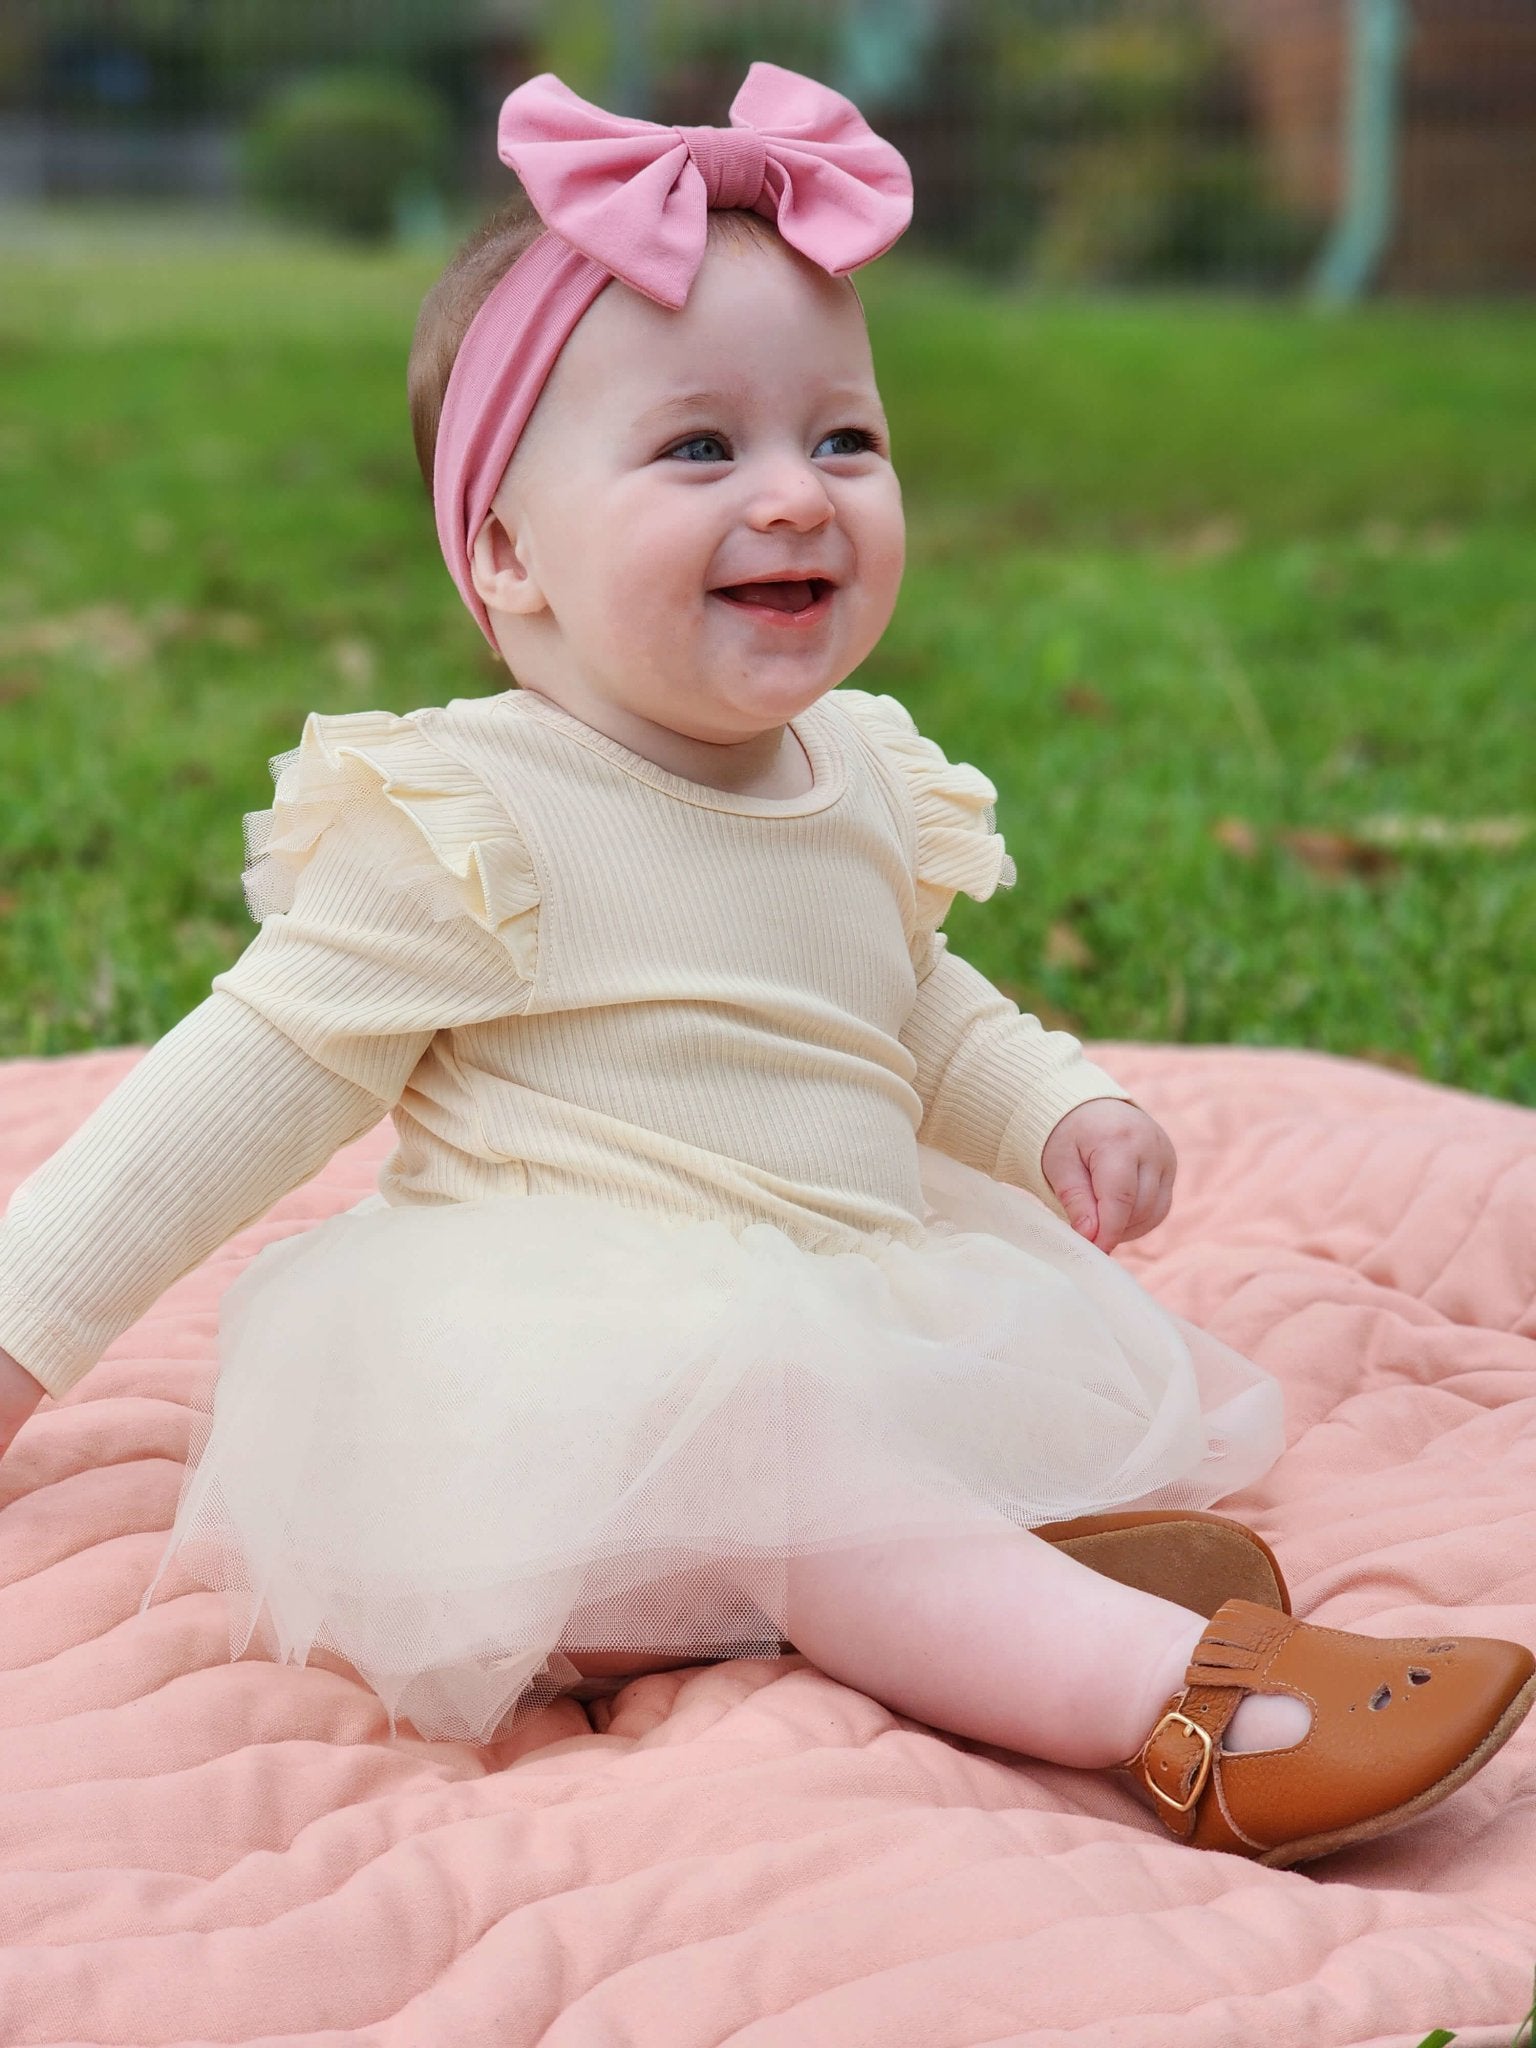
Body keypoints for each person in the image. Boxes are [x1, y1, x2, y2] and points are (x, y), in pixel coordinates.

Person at [0, 63, 1529, 1870]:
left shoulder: (863, 772)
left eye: (845, 440)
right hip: (555, 1420)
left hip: (833, 1305)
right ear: (506, 549)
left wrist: (1055, 1105)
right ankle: (1185, 1702)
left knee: (829, 1442)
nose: (797, 497)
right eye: (700, 447)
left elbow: (908, 1000)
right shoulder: (470, 817)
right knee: (764, 1430)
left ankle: (921, 1577)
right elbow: (212, 1105)